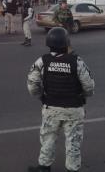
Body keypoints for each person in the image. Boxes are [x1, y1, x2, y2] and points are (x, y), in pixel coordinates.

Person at [27, 27, 95, 172]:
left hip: (51, 109)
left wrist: (41, 96)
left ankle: (44, 168)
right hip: (74, 110)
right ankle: (72, 169)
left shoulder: (42, 61)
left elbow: (32, 85)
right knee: (73, 142)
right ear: (66, 43)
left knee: (48, 138)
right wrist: (84, 96)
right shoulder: (77, 61)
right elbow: (89, 86)